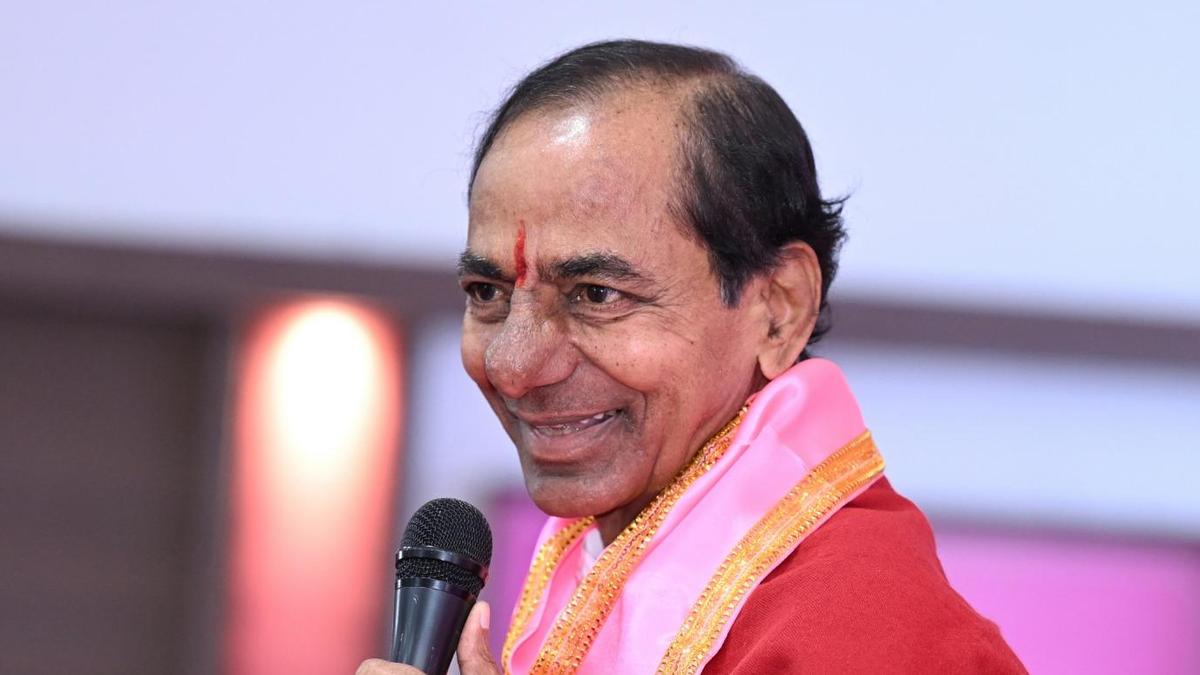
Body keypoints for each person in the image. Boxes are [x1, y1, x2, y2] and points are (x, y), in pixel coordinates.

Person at [359, 39, 1025, 674]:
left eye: (597, 294)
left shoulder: (870, 636)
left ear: (779, 308)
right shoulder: (618, 550)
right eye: (487, 291)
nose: (512, 365)